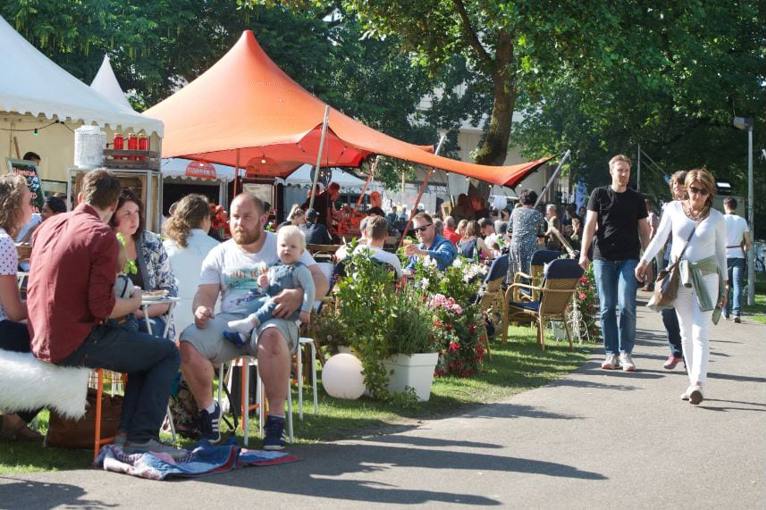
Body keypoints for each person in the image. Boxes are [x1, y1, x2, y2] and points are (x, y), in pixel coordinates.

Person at [26, 170, 183, 457]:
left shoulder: (48, 225)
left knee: (142, 343)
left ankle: (126, 435)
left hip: (40, 335)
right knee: (166, 353)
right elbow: (104, 308)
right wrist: (135, 301)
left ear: (80, 197)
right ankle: (141, 436)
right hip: (74, 341)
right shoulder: (101, 236)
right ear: (112, 208)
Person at [179, 193, 328, 449]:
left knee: (270, 335)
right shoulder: (219, 252)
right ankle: (209, 412)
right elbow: (205, 293)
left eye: (246, 217)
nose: (239, 223)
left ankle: (275, 420)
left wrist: (300, 294)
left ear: (263, 219)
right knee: (189, 341)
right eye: (234, 217)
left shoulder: (283, 243)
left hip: (275, 319)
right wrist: (202, 308)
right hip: (230, 322)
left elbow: (322, 282)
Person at [636, 169, 727, 404]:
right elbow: (659, 238)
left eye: (703, 191)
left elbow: (721, 255)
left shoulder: (717, 218)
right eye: (694, 189)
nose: (697, 195)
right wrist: (644, 261)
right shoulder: (673, 210)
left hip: (707, 279)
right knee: (685, 332)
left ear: (710, 194)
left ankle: (698, 383)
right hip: (679, 278)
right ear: (686, 188)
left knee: (700, 331)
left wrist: (725, 286)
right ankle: (691, 381)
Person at [580, 154, 651, 372]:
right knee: (607, 307)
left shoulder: (637, 198)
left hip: (629, 258)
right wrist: (584, 253)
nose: (624, 174)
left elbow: (644, 231)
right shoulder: (599, 194)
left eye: (627, 170)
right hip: (603, 257)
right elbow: (590, 225)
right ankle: (610, 353)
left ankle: (626, 354)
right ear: (611, 171)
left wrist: (647, 259)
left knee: (627, 305)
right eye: (620, 170)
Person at [0, 174, 42, 441]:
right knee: (60, 348)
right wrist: (46, 306)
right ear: (14, 205)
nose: (33, 207)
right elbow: (14, 311)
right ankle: (15, 420)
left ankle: (12, 419)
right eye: (29, 200)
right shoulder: (4, 243)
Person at [223, 226, 315, 345]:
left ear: (301, 252)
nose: (287, 249)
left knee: (272, 302)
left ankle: (249, 323)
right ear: (277, 248)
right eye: (283, 245)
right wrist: (264, 284)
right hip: (272, 303)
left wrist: (306, 310)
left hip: (287, 309)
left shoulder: (300, 269)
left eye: (293, 247)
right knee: (257, 302)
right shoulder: (274, 268)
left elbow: (310, 288)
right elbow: (268, 290)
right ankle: (242, 336)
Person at [110, 189, 178, 340]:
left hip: (149, 316)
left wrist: (142, 313)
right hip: (113, 317)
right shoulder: (104, 243)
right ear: (112, 215)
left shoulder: (152, 242)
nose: (134, 219)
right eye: (127, 213)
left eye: (137, 212)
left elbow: (169, 288)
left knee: (148, 332)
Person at [163, 194, 219, 337]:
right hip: (212, 319)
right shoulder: (219, 248)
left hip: (174, 320)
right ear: (206, 219)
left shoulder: (166, 247)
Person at [655, 171, 688, 370]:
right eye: (674, 184)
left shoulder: (699, 208)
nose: (677, 187)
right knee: (667, 310)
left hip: (691, 266)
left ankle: (688, 355)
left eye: (681, 183)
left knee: (687, 312)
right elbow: (661, 235)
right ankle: (676, 352)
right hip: (670, 262)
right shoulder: (670, 208)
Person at [722, 197, 751, 323]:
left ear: (725, 206)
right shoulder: (742, 220)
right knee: (738, 285)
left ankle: (725, 311)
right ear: (735, 207)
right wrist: (744, 249)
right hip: (738, 255)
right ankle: (736, 313)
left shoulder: (721, 219)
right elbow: (748, 243)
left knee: (725, 285)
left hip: (724, 255)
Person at [509, 189, 546, 275]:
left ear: (521, 200)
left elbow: (509, 231)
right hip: (530, 248)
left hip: (515, 246)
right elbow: (541, 237)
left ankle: (515, 287)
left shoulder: (515, 212)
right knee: (529, 276)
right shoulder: (538, 214)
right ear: (534, 200)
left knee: (516, 275)